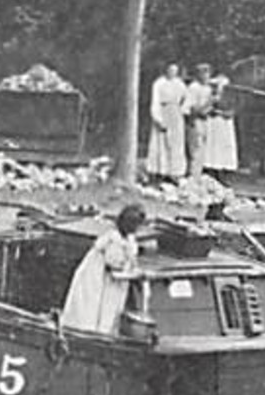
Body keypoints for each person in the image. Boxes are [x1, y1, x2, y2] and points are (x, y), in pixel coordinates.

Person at [61, 204, 144, 334]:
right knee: (90, 307)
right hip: (97, 277)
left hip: (112, 282)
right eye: (134, 224)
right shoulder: (113, 239)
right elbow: (114, 265)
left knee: (111, 308)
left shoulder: (129, 240)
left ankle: (103, 331)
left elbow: (130, 260)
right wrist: (132, 274)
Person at [144, 65, 188, 183]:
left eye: (174, 71)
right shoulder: (159, 83)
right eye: (170, 70)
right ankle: (159, 172)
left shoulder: (180, 84)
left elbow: (186, 99)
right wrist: (158, 119)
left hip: (176, 113)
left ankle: (174, 174)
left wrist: (182, 110)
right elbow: (155, 101)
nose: (172, 73)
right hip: (163, 111)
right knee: (160, 143)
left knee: (176, 144)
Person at [200, 73, 239, 182]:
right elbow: (206, 109)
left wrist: (226, 113)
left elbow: (232, 110)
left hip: (225, 124)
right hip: (214, 123)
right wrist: (212, 108)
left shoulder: (230, 96)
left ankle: (225, 171)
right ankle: (212, 170)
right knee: (213, 146)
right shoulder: (210, 95)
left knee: (226, 146)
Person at [183, 63, 215, 179]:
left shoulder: (208, 88)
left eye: (208, 73)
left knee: (202, 150)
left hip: (205, 121)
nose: (206, 76)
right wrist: (208, 103)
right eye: (203, 73)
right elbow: (192, 108)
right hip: (195, 120)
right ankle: (192, 176)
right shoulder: (193, 87)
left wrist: (211, 104)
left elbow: (209, 108)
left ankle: (198, 175)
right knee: (195, 150)